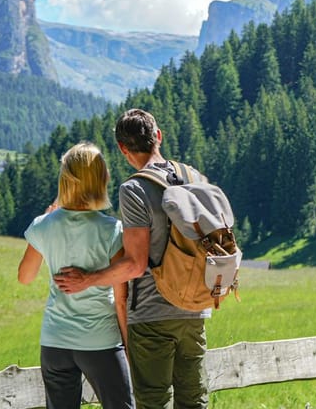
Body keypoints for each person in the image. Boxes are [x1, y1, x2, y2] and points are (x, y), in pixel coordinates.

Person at [54, 109, 210, 409]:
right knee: (194, 402)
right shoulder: (194, 176)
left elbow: (135, 265)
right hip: (195, 308)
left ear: (124, 150)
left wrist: (87, 280)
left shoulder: (134, 189)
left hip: (153, 312)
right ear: (158, 137)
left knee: (153, 401)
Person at [17, 142, 133, 409]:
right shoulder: (111, 230)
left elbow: (24, 277)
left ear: (65, 179)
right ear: (100, 179)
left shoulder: (42, 226)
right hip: (100, 341)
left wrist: (44, 223)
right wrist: (128, 347)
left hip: (55, 340)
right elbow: (121, 299)